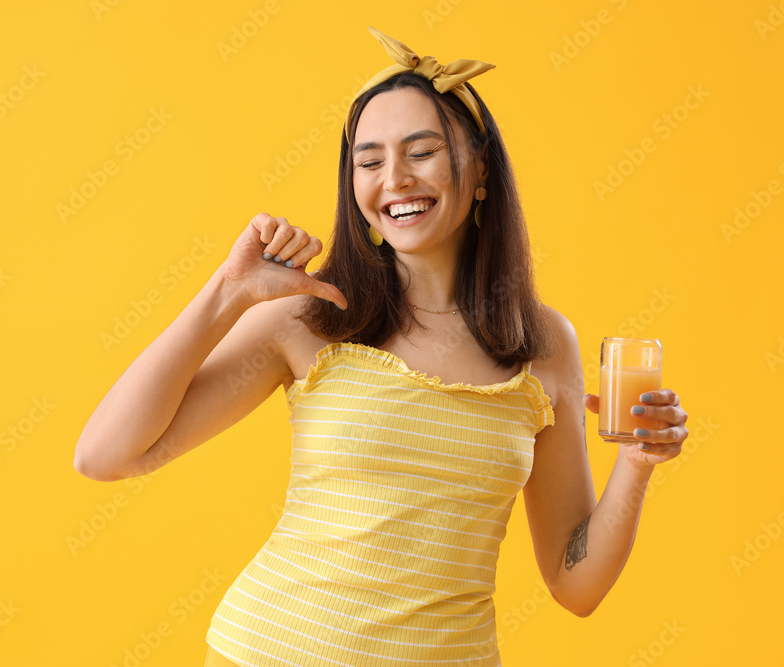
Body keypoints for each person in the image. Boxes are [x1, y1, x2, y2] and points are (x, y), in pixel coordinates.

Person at [73, 26, 689, 667]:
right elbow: (106, 456)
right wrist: (227, 294)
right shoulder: (312, 315)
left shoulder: (542, 343)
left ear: (477, 168)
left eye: (421, 152)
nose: (394, 179)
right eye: (368, 161)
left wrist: (638, 463)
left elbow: (576, 585)